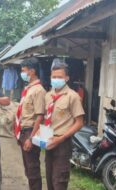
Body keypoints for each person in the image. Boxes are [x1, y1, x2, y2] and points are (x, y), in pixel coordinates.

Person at [45, 59, 85, 190]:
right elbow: (47, 118)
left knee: (60, 182)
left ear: (66, 78)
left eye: (59, 77)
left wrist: (60, 139)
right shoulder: (48, 95)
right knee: (50, 180)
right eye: (53, 77)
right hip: (49, 142)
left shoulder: (72, 96)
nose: (56, 79)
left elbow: (79, 123)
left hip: (63, 144)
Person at [14, 57, 46, 190]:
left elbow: (40, 116)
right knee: (28, 168)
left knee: (33, 169)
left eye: (24, 71)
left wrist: (31, 138)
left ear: (32, 71)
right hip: (24, 130)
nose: (22, 73)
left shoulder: (38, 90)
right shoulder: (28, 89)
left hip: (31, 131)